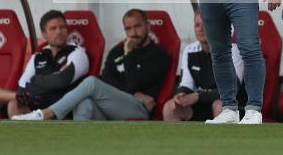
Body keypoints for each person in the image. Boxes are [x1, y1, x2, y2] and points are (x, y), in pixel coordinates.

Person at [12, 9, 170, 121]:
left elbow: (135, 83)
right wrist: (131, 90)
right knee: (84, 102)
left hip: (138, 108)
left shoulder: (159, 54)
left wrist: (129, 54)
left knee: (92, 83)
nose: (133, 32)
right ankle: (79, 151)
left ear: (148, 26)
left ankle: (46, 114)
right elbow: (107, 79)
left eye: (137, 26)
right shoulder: (116, 51)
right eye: (128, 28)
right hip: (111, 105)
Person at [0, 10, 89, 118]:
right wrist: (24, 95)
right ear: (44, 34)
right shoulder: (38, 56)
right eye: (53, 28)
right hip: (32, 103)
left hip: (56, 108)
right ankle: (18, 101)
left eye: (62, 27)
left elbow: (61, 81)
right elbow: (22, 87)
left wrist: (36, 79)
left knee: (13, 105)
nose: (59, 31)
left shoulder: (77, 53)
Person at [163, 11, 244, 122]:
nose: (200, 29)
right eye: (197, 25)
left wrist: (198, 96)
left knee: (221, 105)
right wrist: (181, 95)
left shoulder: (233, 50)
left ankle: (225, 139)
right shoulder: (189, 50)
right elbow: (186, 84)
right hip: (200, 104)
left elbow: (230, 90)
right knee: (170, 107)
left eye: (205, 23)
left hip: (232, 105)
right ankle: (179, 139)